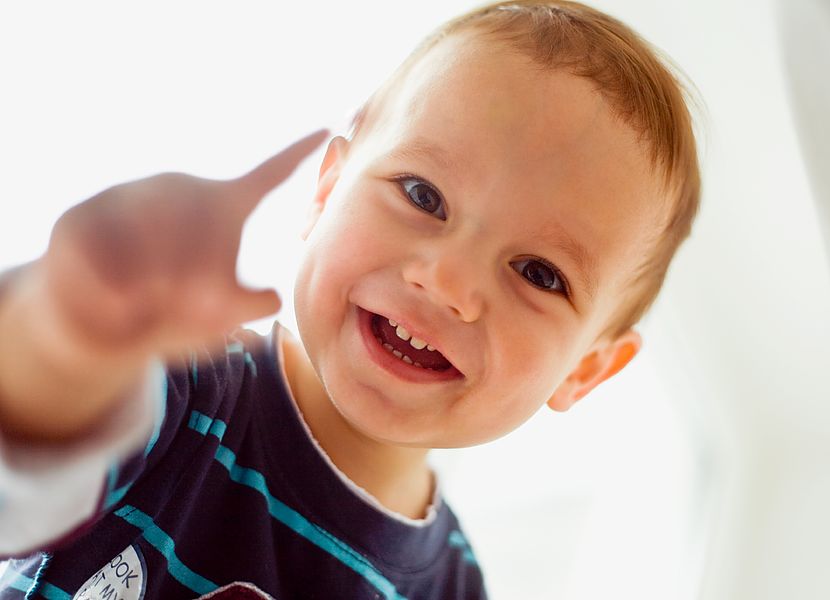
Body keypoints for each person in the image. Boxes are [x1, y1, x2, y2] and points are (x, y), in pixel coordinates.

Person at [0, 1, 700, 598]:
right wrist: (67, 337)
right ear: (328, 189)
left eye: (538, 273)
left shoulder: (454, 587)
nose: (446, 281)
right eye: (423, 195)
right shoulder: (186, 386)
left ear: (586, 370)